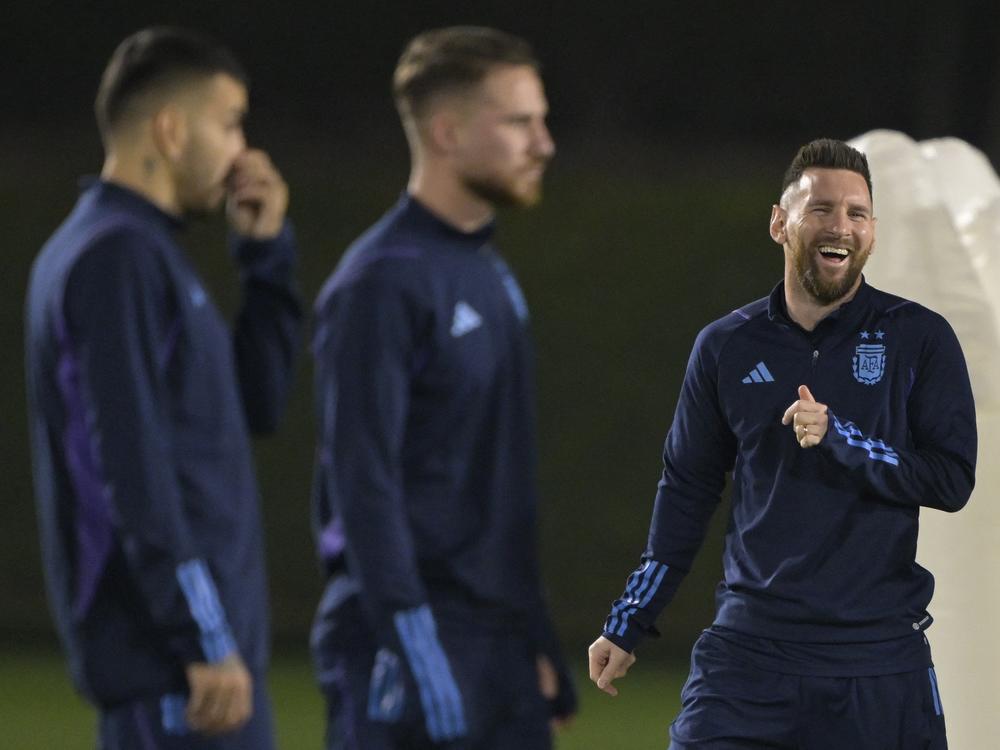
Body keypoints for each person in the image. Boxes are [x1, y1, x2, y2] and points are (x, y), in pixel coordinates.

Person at [588, 138, 976, 749]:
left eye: (857, 213)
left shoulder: (919, 337)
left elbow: (952, 479)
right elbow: (687, 491)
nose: (841, 226)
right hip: (749, 655)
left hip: (875, 661)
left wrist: (841, 438)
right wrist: (630, 620)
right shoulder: (725, 346)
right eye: (821, 209)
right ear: (779, 222)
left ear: (873, 231)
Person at [24, 26, 301, 749]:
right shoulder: (115, 257)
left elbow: (254, 407)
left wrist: (266, 261)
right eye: (231, 122)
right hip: (179, 674)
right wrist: (201, 635)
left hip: (198, 664)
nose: (244, 151)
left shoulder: (141, 252)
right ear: (172, 129)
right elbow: (130, 465)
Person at [309, 25, 576, 750]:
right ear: (448, 133)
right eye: (520, 122)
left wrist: (535, 635)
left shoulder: (490, 276)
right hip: (405, 638)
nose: (544, 143)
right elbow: (363, 486)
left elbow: (502, 483)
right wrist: (414, 643)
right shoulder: (379, 284)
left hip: (498, 644)